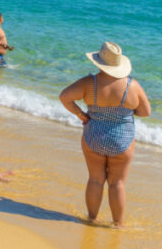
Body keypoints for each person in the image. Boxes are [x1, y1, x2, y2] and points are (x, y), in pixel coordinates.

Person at [59, 42, 152, 228]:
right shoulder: (132, 86)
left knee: (95, 180)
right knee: (117, 183)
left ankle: (92, 219)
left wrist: (80, 114)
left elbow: (65, 97)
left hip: (94, 136)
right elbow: (145, 112)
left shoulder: (89, 82)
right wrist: (125, 114)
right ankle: (118, 224)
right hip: (122, 140)